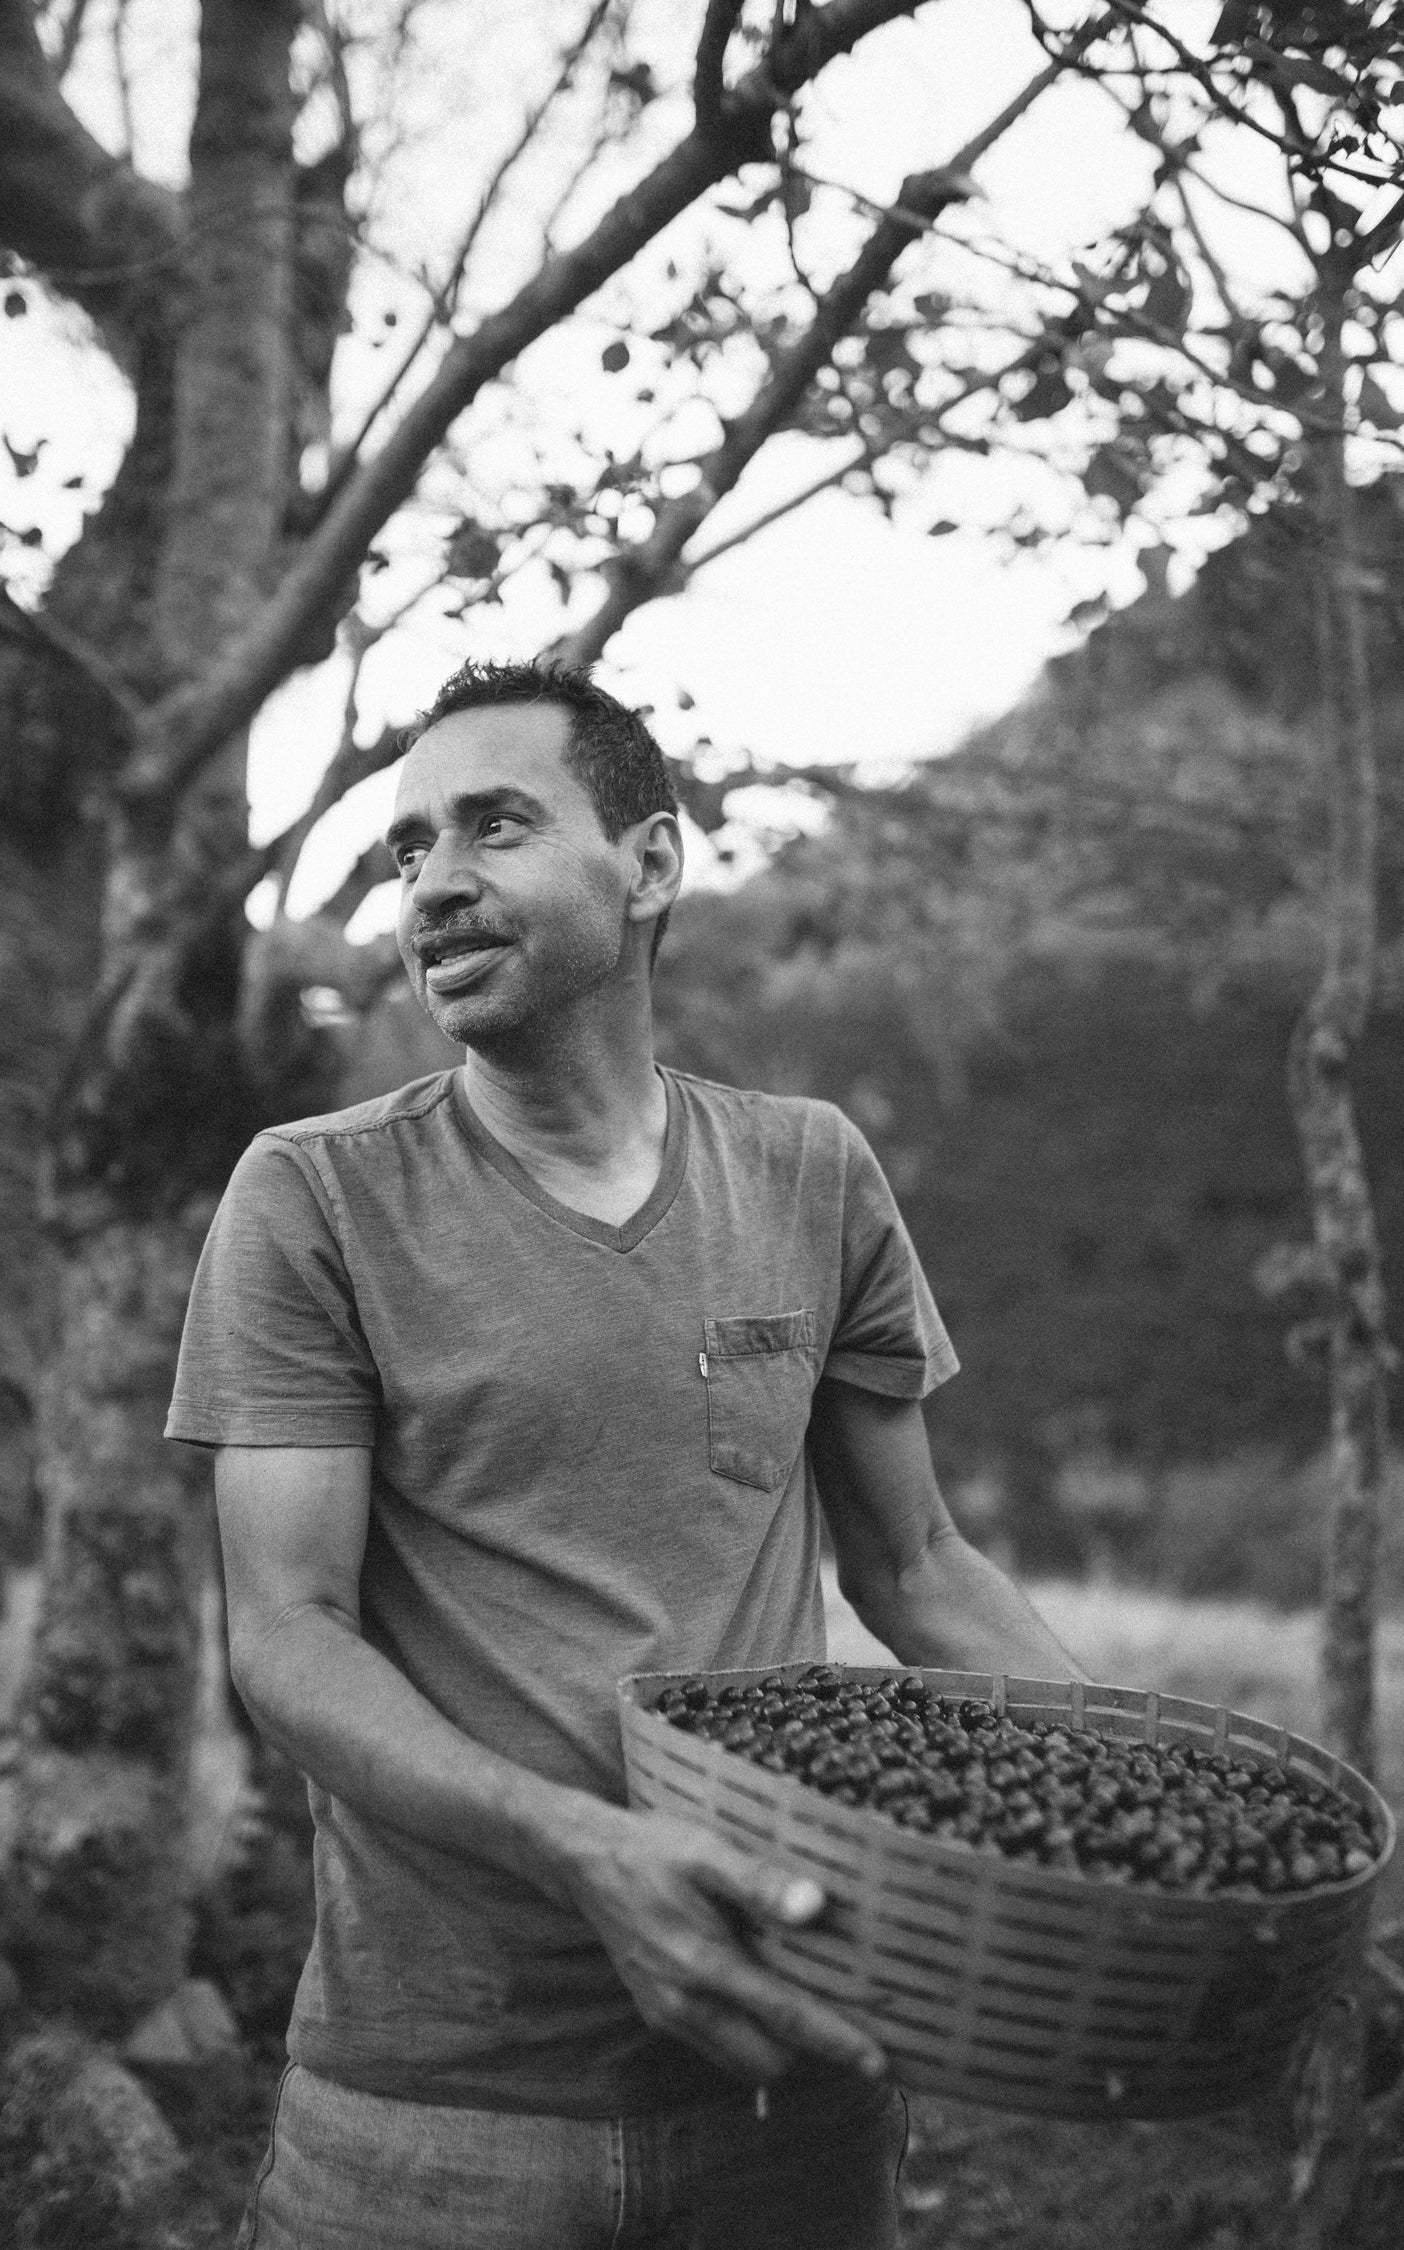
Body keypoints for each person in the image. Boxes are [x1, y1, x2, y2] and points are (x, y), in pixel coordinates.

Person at [167, 659, 1078, 2250]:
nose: (434, 884)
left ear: (649, 863)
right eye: (407, 850)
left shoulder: (811, 1171)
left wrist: (1151, 1809)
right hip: (437, 2107)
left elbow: (919, 1566)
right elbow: (289, 1636)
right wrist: (587, 1847)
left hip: (785, 2064)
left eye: (495, 826)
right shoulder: (313, 1197)